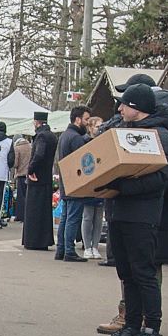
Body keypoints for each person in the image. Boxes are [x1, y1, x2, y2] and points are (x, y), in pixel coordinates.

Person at [96, 83, 168, 336]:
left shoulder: (161, 136)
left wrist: (123, 187)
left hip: (141, 215)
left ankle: (152, 331)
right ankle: (131, 326)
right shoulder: (127, 132)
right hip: (119, 212)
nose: (119, 109)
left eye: (124, 104)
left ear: (137, 108)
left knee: (144, 273)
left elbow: (163, 176)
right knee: (127, 273)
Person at [54, 105, 98, 262]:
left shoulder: (65, 135)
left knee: (66, 217)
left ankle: (61, 249)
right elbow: (84, 161)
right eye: (86, 119)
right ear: (77, 119)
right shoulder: (75, 138)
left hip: (66, 182)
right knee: (72, 218)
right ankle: (69, 251)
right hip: (75, 183)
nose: (88, 122)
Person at [20, 111, 57, 251]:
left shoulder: (41, 136)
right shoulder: (51, 136)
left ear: (36, 122)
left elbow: (39, 154)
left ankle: (34, 240)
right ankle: (44, 239)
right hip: (46, 177)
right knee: (45, 211)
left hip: (37, 179)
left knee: (34, 211)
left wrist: (30, 169)